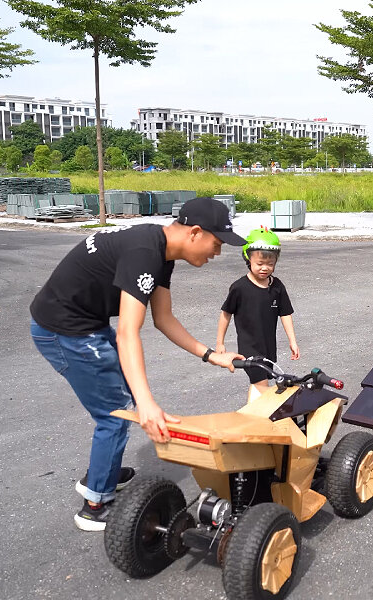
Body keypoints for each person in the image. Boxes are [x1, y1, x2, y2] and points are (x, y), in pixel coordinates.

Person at [30, 197, 246, 531]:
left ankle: (106, 471)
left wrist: (212, 354)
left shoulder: (161, 252)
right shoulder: (145, 253)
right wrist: (146, 404)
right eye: (216, 244)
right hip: (64, 330)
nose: (217, 253)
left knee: (122, 400)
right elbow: (128, 333)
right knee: (116, 413)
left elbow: (163, 318)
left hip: (84, 322)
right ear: (195, 233)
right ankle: (95, 503)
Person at [216, 227, 299, 404]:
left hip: (268, 347)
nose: (265, 268)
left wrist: (292, 340)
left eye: (270, 264)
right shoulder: (239, 288)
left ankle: (252, 418)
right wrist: (219, 343)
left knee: (259, 385)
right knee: (261, 385)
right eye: (260, 263)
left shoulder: (277, 286)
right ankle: (257, 420)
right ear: (248, 258)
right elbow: (226, 314)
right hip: (250, 348)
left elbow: (285, 314)